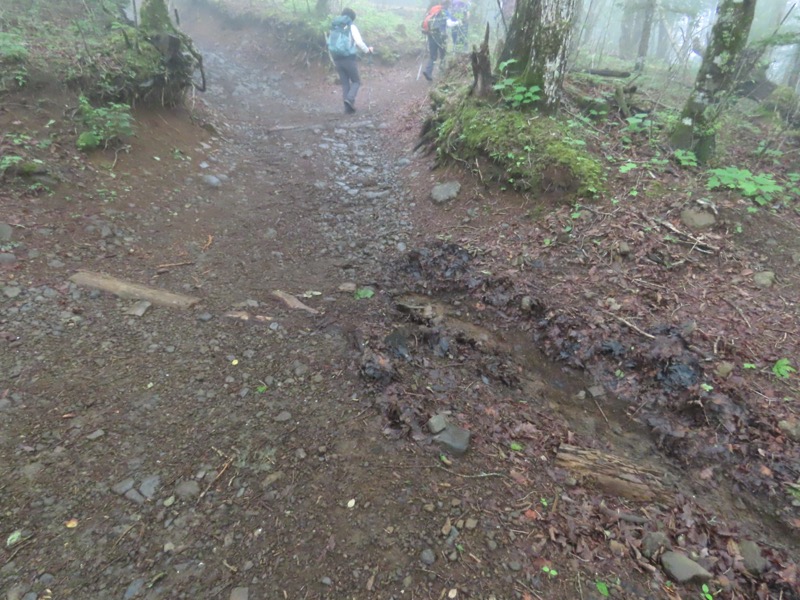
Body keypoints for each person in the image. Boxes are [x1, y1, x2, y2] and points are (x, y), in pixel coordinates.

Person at [330, 8, 373, 114]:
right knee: (356, 81)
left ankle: (348, 108)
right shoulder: (351, 26)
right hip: (348, 58)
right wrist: (368, 50)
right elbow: (358, 42)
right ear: (351, 18)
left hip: (336, 58)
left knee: (345, 84)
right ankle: (349, 100)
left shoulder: (335, 26)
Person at [422, 0, 459, 82]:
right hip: (441, 37)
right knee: (443, 55)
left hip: (431, 35)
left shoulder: (433, 10)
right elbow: (449, 24)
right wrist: (457, 22)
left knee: (432, 56)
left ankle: (428, 72)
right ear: (448, 5)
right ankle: (442, 73)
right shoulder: (445, 12)